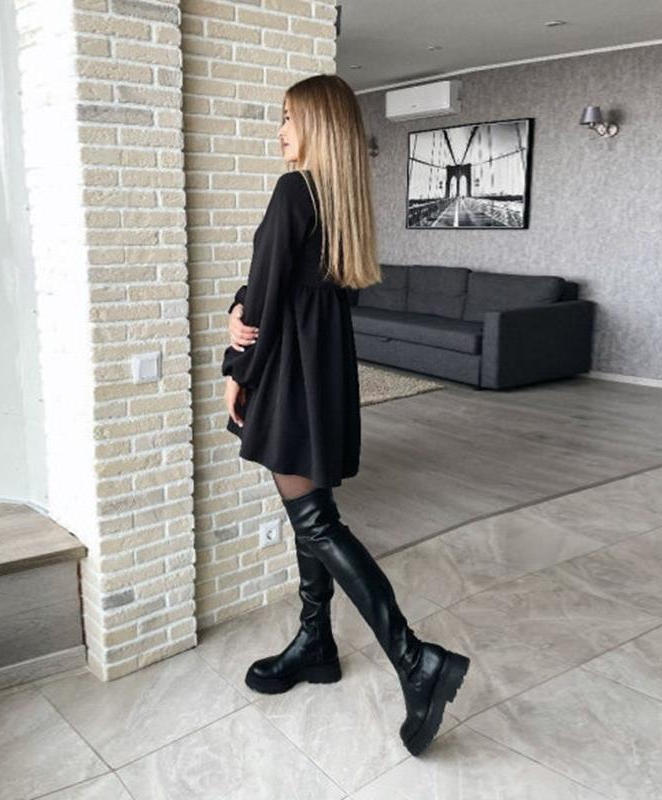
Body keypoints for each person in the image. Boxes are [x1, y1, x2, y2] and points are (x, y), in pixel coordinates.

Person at [220, 74, 470, 757]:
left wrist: (235, 367)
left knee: (315, 521)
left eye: (288, 118)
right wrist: (244, 302)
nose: (280, 130)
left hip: (290, 376)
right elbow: (287, 283)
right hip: (324, 375)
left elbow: (268, 291)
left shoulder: (294, 190)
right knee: (316, 513)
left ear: (317, 126)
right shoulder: (342, 201)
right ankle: (317, 644)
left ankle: (415, 659)